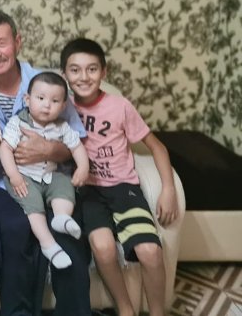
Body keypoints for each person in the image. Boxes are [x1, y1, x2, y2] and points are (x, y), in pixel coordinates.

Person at [0, 10, 91, 316]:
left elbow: (77, 143)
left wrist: (48, 150)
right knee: (16, 229)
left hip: (53, 179)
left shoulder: (48, 84)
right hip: (2, 183)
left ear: (18, 42)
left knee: (69, 237)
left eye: (2, 43)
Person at [60, 37, 179, 316]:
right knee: (103, 248)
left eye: (92, 69)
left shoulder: (120, 106)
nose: (83, 77)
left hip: (124, 188)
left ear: (104, 71)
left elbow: (157, 147)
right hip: (89, 192)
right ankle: (125, 309)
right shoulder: (62, 108)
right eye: (75, 70)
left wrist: (168, 189)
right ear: (64, 74)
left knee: (150, 250)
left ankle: (158, 312)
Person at [0, 71, 90, 269]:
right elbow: (5, 149)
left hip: (49, 174)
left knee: (64, 184)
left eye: (55, 101)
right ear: (27, 99)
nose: (47, 105)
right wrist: (14, 176)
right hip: (23, 176)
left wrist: (83, 167)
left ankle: (61, 217)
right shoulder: (18, 123)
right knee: (32, 202)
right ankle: (48, 244)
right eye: (40, 98)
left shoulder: (62, 127)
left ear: (63, 106)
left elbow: (77, 147)